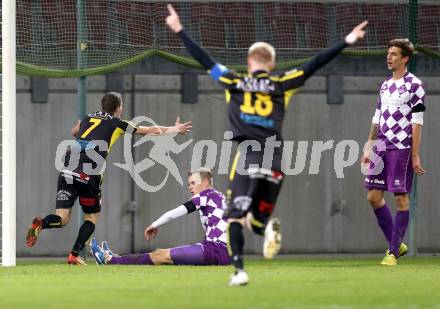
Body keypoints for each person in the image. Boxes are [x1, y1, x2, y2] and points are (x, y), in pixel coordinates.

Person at [165, 4, 367, 285]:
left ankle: (239, 272)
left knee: (234, 217)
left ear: (249, 62)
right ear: (271, 64)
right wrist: (346, 41)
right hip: (276, 158)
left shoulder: (233, 81)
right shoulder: (282, 83)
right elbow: (314, 64)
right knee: (256, 223)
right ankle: (265, 224)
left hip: (248, 156)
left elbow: (205, 60)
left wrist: (180, 30)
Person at [26, 92, 192, 265]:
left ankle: (42, 223)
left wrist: (82, 136)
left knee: (61, 218)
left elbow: (75, 131)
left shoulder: (87, 117)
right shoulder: (118, 123)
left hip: (67, 170)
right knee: (91, 217)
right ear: (119, 108)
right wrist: (175, 129)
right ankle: (74, 255)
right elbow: (148, 131)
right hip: (88, 174)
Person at [361, 39, 426, 266]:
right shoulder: (385, 85)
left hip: (401, 147)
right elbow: (377, 117)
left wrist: (415, 154)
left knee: (400, 197)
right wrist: (369, 145)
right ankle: (396, 244)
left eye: (394, 54)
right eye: (388, 53)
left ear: (405, 59)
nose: (389, 57)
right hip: (381, 146)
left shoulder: (415, 85)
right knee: (373, 197)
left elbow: (417, 123)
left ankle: (392, 253)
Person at [91, 168, 230, 266]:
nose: (189, 187)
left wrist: (154, 224)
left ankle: (110, 260)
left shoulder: (206, 195)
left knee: (159, 255)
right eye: (188, 184)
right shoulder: (220, 196)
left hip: (216, 249)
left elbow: (174, 213)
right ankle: (114, 258)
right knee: (169, 259)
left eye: (193, 183)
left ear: (205, 183)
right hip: (224, 251)